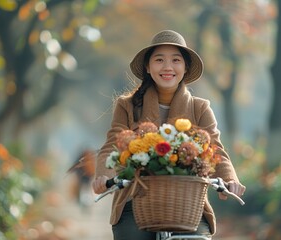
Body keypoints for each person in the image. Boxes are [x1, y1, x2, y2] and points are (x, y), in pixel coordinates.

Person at [92, 30, 246, 240]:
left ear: (185, 67)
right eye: (159, 60)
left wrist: (229, 180)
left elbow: (216, 149)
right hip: (136, 201)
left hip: (188, 204)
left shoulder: (200, 108)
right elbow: (112, 144)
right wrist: (103, 175)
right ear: (148, 67)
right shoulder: (127, 105)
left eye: (176, 60)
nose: (167, 67)